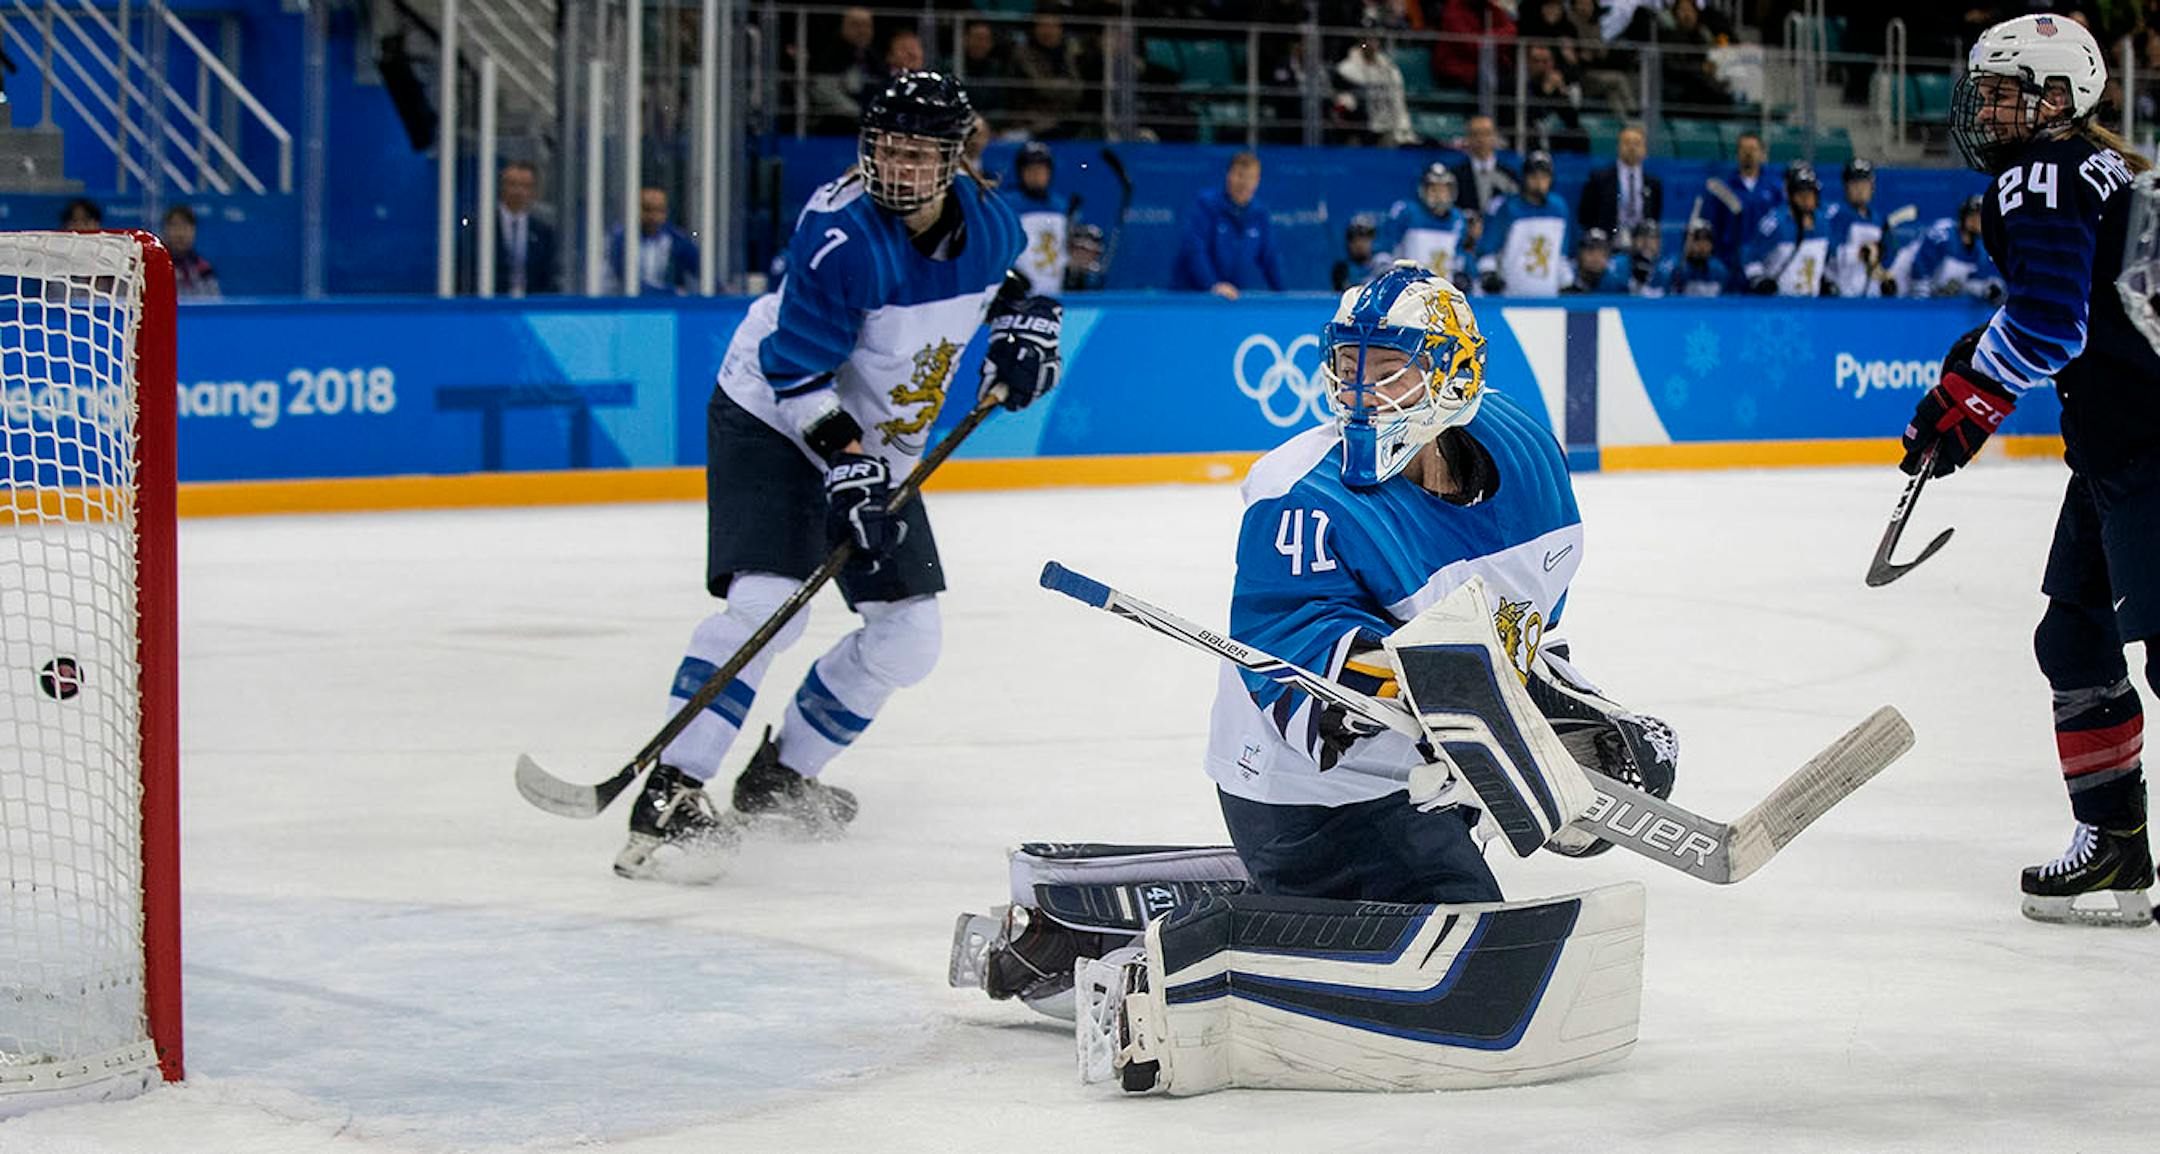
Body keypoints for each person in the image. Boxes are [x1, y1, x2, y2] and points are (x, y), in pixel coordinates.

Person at [950, 266, 1679, 1089]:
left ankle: (1085, 920)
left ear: (1455, 374)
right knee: (1460, 956)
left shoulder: (1528, 457)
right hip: (1307, 792)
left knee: (1443, 927)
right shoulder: (1299, 494)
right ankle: (1135, 970)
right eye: (1350, 363)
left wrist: (1564, 713)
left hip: (1415, 780)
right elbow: (1303, 666)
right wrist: (1449, 716)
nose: (1361, 392)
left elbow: (1516, 628)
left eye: (1389, 366)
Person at [614, 71, 1056, 883]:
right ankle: (674, 791)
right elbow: (794, 374)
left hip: (876, 442)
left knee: (909, 637)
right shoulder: (840, 235)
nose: (896, 165)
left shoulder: (991, 223)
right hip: (774, 417)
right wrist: (848, 466)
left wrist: (1026, 330)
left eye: (917, 152)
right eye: (885, 146)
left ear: (955, 160)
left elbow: (1007, 291)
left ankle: (779, 777)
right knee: (767, 606)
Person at [1898, 14, 2160, 927]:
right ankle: (2117, 851)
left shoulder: (2038, 174)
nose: (1986, 107)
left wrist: (1972, 397)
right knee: (2075, 639)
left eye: (2005, 90)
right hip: (2116, 450)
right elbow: (2076, 306)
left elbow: (2054, 325)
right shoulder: (2108, 167)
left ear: (2058, 98)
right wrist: (1979, 364)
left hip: (2147, 445)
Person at [1171, 152, 1286, 298]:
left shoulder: (1260, 214)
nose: (1244, 183)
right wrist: (1212, 285)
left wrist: (1282, 295)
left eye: (1251, 178)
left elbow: (1270, 258)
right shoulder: (1205, 205)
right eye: (1240, 175)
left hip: (1232, 302)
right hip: (1194, 298)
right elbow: (1194, 249)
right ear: (1228, 175)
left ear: (1258, 181)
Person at [1476, 150, 1572, 297]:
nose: (1539, 183)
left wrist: (1567, 281)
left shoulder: (1559, 208)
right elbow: (1490, 249)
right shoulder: (1508, 208)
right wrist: (1489, 273)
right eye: (1534, 176)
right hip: (1512, 296)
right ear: (1524, 178)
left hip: (1549, 297)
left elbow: (1561, 253)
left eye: (1544, 177)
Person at [1702, 131, 1783, 289]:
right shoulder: (1723, 189)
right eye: (1744, 149)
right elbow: (1713, 227)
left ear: (1761, 153)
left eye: (1753, 149)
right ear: (1737, 153)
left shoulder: (1774, 190)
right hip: (1731, 265)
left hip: (1765, 266)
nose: (1748, 153)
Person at [1742, 161, 1830, 296]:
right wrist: (1759, 280)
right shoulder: (1775, 224)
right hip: (1779, 307)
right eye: (1801, 193)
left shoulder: (1824, 223)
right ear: (1790, 195)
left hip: (1811, 306)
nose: (1806, 199)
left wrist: (1826, 280)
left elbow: (1829, 257)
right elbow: (1749, 256)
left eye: (1810, 193)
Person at [1002, 142, 1076, 297]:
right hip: (1022, 293)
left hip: (1056, 292)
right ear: (1020, 172)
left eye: (1041, 169)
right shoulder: (1008, 203)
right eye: (1030, 169)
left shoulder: (1060, 206)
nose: (1036, 174)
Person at [1379, 163, 1470, 286]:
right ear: (1423, 190)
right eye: (1434, 189)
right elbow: (1385, 248)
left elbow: (1459, 255)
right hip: (1407, 288)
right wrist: (1387, 271)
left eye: (1443, 189)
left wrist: (1460, 274)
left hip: (1443, 290)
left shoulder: (1458, 219)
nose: (1439, 195)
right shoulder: (1406, 212)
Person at [1905, 194, 2003, 302]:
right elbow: (1919, 272)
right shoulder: (1943, 234)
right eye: (1975, 215)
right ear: (1964, 217)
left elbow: (1972, 284)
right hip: (1905, 280)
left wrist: (1987, 289)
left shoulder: (1981, 249)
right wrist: (1924, 306)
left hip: (1937, 296)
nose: (1980, 221)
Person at [607, 187, 700, 295]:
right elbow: (626, 279)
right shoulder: (618, 239)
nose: (654, 217)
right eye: (647, 210)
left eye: (660, 210)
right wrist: (670, 292)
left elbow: (702, 268)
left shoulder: (674, 239)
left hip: (660, 306)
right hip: (620, 306)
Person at [1577, 122, 1662, 238]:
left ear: (1645, 149)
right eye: (1627, 143)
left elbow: (1654, 216)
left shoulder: (1653, 184)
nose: (1632, 148)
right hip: (1608, 242)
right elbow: (1585, 215)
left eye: (1637, 143)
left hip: (1640, 242)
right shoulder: (1600, 179)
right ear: (1618, 146)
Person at [1822, 157, 1888, 299]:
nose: (1860, 189)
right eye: (1855, 183)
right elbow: (1826, 254)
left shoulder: (1877, 219)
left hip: (1870, 294)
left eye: (1864, 183)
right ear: (1846, 187)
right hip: (1841, 295)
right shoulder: (1837, 215)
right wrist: (1860, 253)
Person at [493, 160, 558, 296]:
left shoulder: (543, 232)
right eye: (512, 184)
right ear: (501, 187)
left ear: (533, 191)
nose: (518, 191)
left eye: (525, 186)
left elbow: (549, 275)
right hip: (493, 306)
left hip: (532, 306)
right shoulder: (484, 229)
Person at [1449, 115, 1521, 216]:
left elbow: (1514, 208)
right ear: (1468, 138)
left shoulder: (1509, 175)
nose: (1481, 139)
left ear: (1495, 136)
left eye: (1486, 133)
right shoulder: (1455, 175)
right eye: (1475, 134)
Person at [1648, 219, 1728, 297]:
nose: (1701, 245)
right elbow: (1657, 295)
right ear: (1686, 242)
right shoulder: (1670, 268)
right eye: (1696, 239)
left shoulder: (1719, 270)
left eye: (1706, 240)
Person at [160, 205, 220, 300]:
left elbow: (213, 303)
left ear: (194, 231)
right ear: (165, 230)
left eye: (186, 227)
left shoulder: (204, 269)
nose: (180, 234)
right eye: (175, 226)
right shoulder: (157, 267)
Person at [1562, 227, 1630, 294]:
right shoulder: (1566, 276)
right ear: (1580, 254)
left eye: (1601, 251)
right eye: (1590, 250)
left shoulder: (1615, 284)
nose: (1596, 257)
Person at [1331, 214, 1385, 292]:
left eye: (1364, 237)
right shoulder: (1342, 270)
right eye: (1353, 238)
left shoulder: (1382, 265)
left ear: (1372, 239)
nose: (1359, 243)